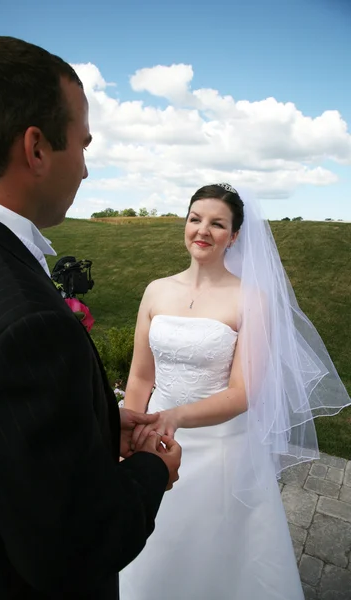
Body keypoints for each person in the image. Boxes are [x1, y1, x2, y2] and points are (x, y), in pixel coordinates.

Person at [0, 36, 181, 599]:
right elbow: (75, 548)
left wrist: (98, 423)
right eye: (83, 144)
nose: (84, 169)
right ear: (35, 148)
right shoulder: (27, 325)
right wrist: (154, 470)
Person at [120, 183, 350, 599]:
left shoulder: (251, 299)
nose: (202, 230)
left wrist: (175, 417)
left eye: (217, 223)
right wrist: (130, 434)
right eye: (195, 219)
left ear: (235, 236)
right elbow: (139, 376)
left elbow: (244, 393)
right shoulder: (156, 290)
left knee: (216, 553)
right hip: (152, 439)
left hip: (221, 448)